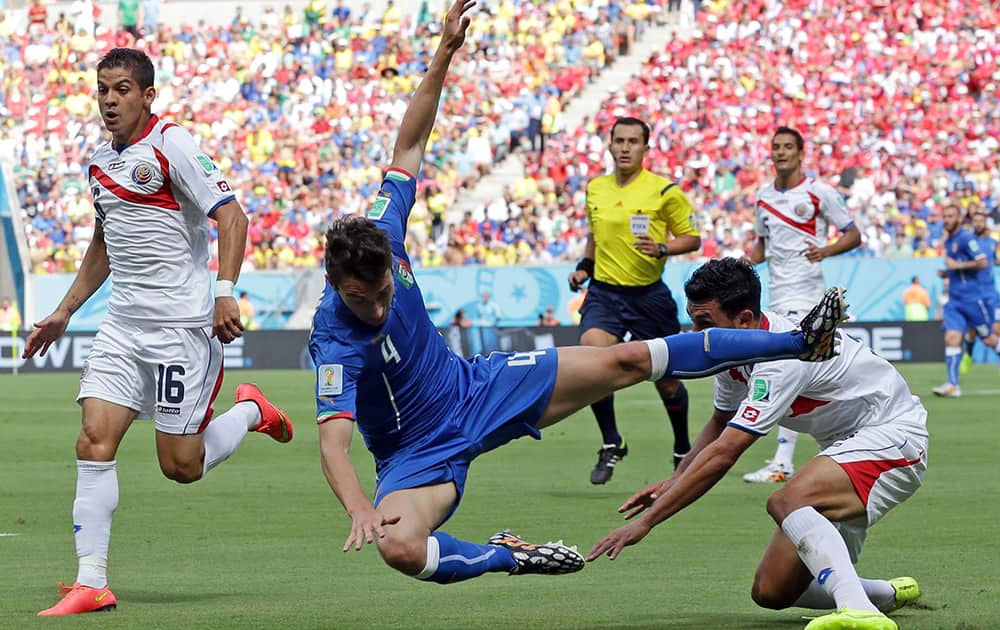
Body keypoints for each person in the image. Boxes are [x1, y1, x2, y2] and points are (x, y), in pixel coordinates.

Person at [309, 0, 848, 588]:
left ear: (390, 264)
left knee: (626, 359)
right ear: (338, 286)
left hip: (476, 386)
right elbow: (334, 443)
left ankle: (799, 339)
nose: (380, 306)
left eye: (386, 289)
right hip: (414, 452)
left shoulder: (385, 232)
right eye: (365, 301)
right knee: (400, 549)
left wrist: (443, 54)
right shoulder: (333, 337)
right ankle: (513, 555)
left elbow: (407, 150)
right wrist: (359, 508)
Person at [25, 48, 293, 616]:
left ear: (147, 95)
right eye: (102, 89)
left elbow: (233, 217)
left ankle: (250, 412)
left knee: (181, 466)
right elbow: (105, 243)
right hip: (123, 326)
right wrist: (65, 310)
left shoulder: (174, 145)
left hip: (182, 329)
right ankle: (91, 582)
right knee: (93, 441)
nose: (109, 100)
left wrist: (224, 290)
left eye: (122, 89)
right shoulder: (99, 161)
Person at [588, 258, 925, 630]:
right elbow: (719, 423)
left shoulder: (783, 358)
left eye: (705, 323)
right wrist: (674, 480)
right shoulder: (733, 353)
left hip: (893, 438)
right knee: (773, 592)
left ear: (745, 320)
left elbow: (725, 453)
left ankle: (859, 613)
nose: (696, 333)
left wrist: (648, 522)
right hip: (843, 449)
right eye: (692, 320)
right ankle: (885, 594)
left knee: (785, 500)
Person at [567, 115, 702, 485]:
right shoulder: (596, 188)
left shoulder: (664, 191)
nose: (625, 148)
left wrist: (662, 247)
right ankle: (612, 441)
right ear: (609, 145)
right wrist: (584, 267)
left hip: (649, 298)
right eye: (619, 141)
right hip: (605, 293)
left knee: (667, 382)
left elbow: (692, 239)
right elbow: (595, 235)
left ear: (646, 148)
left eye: (633, 142)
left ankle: (681, 449)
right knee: (592, 363)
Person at [741, 126, 861, 484]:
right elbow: (762, 248)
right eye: (776, 147)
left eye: (787, 147)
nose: (780, 153)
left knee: (783, 368)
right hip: (776, 294)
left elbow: (853, 233)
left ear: (800, 153)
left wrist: (826, 250)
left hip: (807, 296)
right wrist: (743, 265)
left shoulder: (817, 192)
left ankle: (782, 462)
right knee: (806, 376)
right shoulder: (763, 198)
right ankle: (845, 441)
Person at [932, 203, 1000, 397]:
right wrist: (948, 272)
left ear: (959, 219)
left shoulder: (966, 238)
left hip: (973, 300)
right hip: (955, 301)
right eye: (945, 216)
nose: (947, 220)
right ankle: (953, 385)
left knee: (988, 339)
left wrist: (956, 266)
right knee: (951, 338)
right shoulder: (949, 240)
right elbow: (957, 267)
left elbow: (983, 262)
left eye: (951, 216)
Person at [960, 210, 1000, 370]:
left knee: (996, 328)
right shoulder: (969, 242)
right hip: (975, 294)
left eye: (980, 221)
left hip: (991, 294)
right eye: (975, 221)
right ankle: (968, 354)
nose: (978, 223)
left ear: (985, 223)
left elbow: (995, 260)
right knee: (972, 331)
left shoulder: (992, 242)